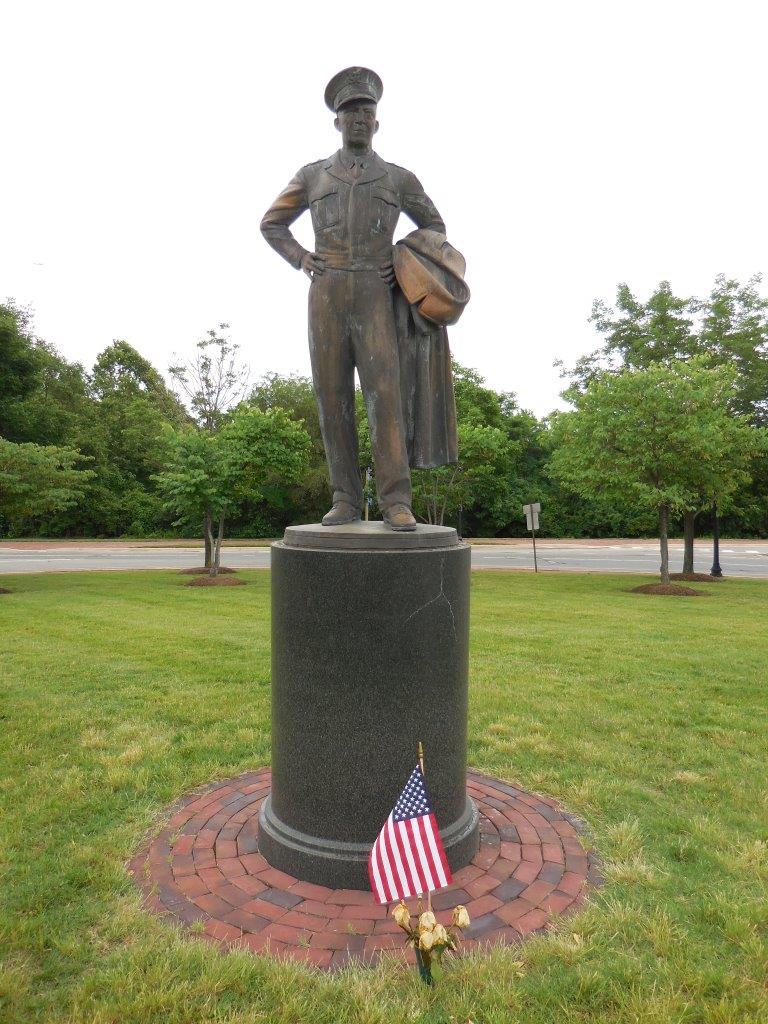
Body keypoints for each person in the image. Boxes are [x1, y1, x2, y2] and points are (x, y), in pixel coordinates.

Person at [260, 67, 447, 530]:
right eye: (350, 112)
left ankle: (395, 502)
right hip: (326, 292)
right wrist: (301, 257)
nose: (359, 119)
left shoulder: (399, 178)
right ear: (337, 123)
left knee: (386, 397)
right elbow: (271, 223)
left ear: (377, 123)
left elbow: (435, 226)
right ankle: (344, 499)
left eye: (366, 112)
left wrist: (402, 256)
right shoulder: (312, 175)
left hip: (376, 294)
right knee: (332, 397)